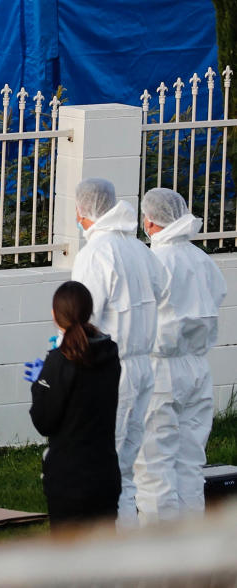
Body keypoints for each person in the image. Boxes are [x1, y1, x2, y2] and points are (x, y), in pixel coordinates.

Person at [70, 177, 169, 525]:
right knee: (125, 470)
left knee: (101, 467)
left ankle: (106, 559)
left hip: (109, 370)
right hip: (142, 367)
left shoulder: (95, 254)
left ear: (84, 210)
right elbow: (160, 291)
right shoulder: (139, 248)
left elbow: (81, 317)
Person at [134, 188, 225, 521]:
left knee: (154, 466)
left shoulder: (154, 261)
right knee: (189, 463)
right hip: (198, 369)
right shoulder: (201, 259)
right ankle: (192, 555)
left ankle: (161, 560)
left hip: (161, 370)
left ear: (150, 220)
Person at [25, 281, 122, 531]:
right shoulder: (110, 353)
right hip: (105, 473)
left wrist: (40, 384)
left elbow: (44, 421)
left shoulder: (60, 361)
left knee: (71, 563)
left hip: (70, 480)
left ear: (55, 316)